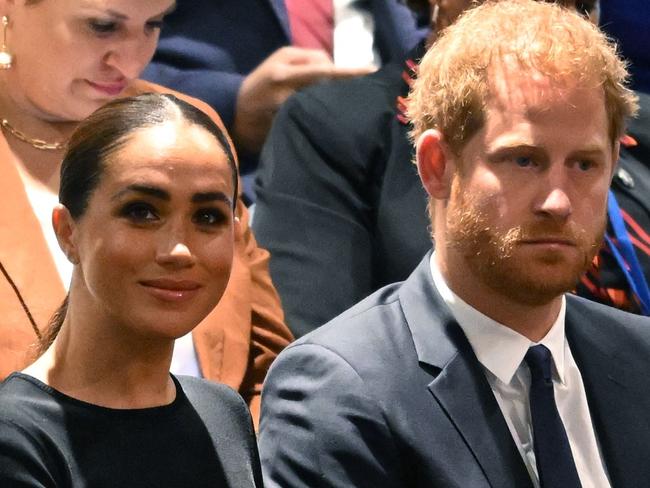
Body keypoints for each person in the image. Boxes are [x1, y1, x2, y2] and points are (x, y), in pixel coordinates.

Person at [259, 1, 650, 487]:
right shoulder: (340, 391)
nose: (558, 201)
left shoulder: (640, 358)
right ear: (437, 166)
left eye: (585, 165)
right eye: (523, 161)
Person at [0, 0, 292, 429]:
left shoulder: (186, 129)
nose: (133, 58)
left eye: (153, 24)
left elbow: (265, 368)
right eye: (102, 27)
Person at [252, 0, 601, 337]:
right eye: (522, 160)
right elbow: (318, 350)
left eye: (586, 164)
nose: (518, 16)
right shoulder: (331, 127)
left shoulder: (630, 126)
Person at [0, 93, 263, 487]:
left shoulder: (223, 414)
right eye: (141, 212)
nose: (178, 250)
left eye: (208, 217)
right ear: (68, 231)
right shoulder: (15, 438)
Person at [142, 0, 426, 192]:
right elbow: (109, 54)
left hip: (400, 164)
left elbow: (426, 28)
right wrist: (231, 105)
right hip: (237, 179)